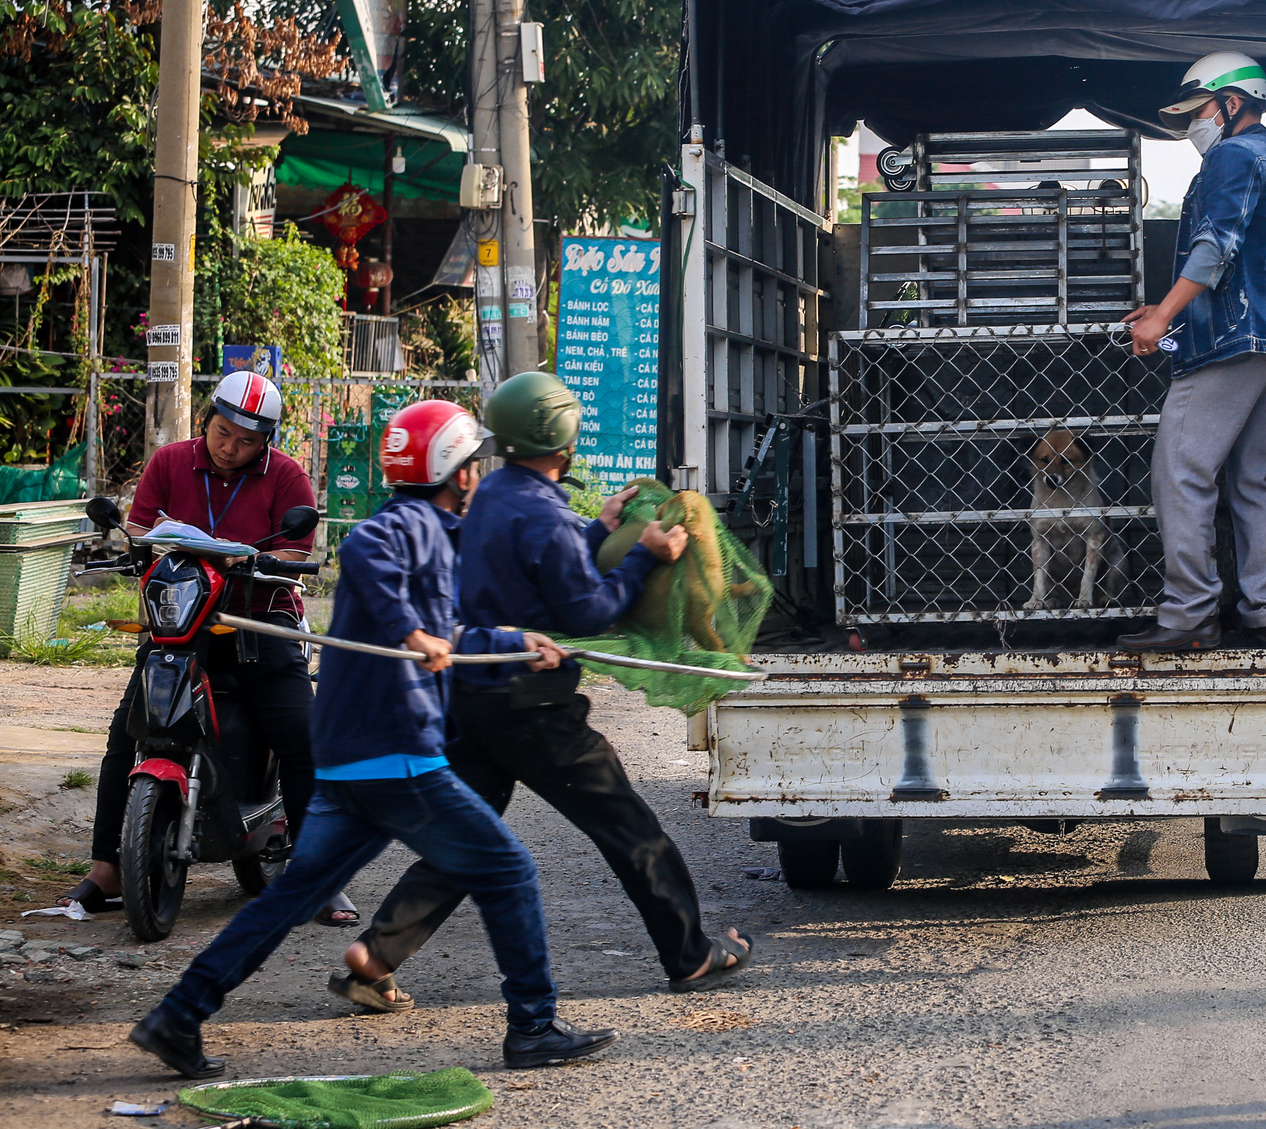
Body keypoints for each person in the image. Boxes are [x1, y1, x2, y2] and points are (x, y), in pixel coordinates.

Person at [128, 401, 610, 1077]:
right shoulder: (400, 527)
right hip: (396, 757)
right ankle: (532, 1027)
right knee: (508, 870)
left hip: (355, 762)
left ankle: (178, 1016)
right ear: (459, 473)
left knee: (290, 897)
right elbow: (370, 564)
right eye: (474, 464)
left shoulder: (433, 530)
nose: (478, 475)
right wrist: (411, 633)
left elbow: (445, 631)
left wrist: (513, 643)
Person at [338, 372, 753, 1005]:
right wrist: (645, 554)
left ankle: (377, 953)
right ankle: (690, 953)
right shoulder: (549, 516)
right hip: (535, 707)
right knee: (628, 826)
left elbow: (532, 571)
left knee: (467, 833)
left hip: (473, 694)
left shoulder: (492, 495)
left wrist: (598, 528)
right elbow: (584, 611)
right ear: (564, 444)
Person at [65, 371, 356, 927]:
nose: (231, 447)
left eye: (246, 441)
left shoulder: (288, 477)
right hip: (181, 626)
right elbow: (139, 529)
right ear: (208, 421)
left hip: (259, 624)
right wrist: (141, 549)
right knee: (125, 734)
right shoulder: (170, 462)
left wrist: (252, 561)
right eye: (223, 432)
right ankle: (106, 867)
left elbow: (296, 555)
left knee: (301, 738)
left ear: (266, 440)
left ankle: (318, 874)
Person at [1117, 51, 1266, 652]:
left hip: (1236, 340)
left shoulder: (1233, 155)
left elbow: (1218, 243)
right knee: (1253, 477)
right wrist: (1165, 306)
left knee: (1181, 471)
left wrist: (1163, 314)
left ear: (1232, 103)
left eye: (1197, 112)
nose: (1191, 127)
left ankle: (1189, 615)